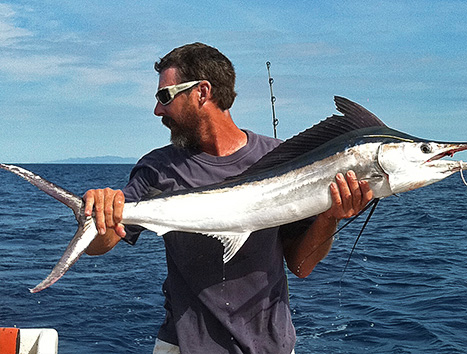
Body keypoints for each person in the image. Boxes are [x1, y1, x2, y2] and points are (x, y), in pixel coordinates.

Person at [83, 42, 373, 354]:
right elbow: (100, 245)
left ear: (202, 92)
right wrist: (100, 213)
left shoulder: (280, 157)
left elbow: (300, 265)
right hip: (183, 346)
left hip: (270, 347)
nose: (158, 110)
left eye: (165, 96)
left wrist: (329, 217)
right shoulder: (157, 167)